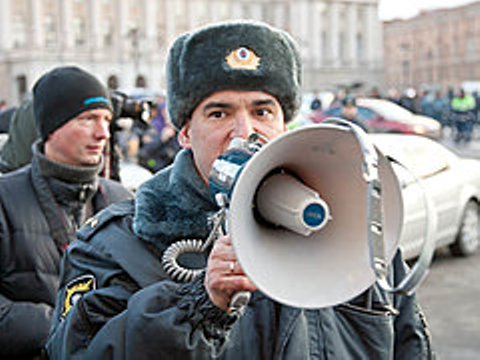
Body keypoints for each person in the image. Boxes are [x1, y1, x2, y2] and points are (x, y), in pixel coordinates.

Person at [46, 21, 433, 359]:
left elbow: (408, 344)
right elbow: (77, 349)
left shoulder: (361, 229)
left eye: (263, 111)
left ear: (285, 123)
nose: (244, 131)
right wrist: (198, 306)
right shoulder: (116, 244)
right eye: (219, 113)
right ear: (184, 132)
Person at [0, 66, 133, 359]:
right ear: (51, 128)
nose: (102, 133)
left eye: (107, 120)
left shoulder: (120, 198)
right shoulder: (4, 198)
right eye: (88, 120)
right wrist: (71, 325)